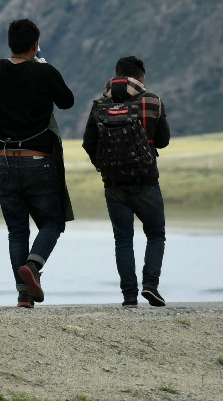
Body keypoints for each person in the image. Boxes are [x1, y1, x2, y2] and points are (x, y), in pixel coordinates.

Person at [0, 17, 76, 308]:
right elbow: (67, 101)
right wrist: (42, 68)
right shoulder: (44, 72)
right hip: (39, 160)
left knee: (17, 230)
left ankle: (24, 295)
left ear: (9, 43)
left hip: (4, 161)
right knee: (53, 222)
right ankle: (32, 267)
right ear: (35, 46)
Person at [82, 55, 171, 307]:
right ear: (141, 77)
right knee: (155, 234)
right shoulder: (153, 101)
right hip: (146, 181)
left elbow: (89, 143)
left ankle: (129, 296)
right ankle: (151, 286)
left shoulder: (99, 105)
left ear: (117, 75)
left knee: (123, 239)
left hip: (113, 184)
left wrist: (104, 166)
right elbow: (163, 141)